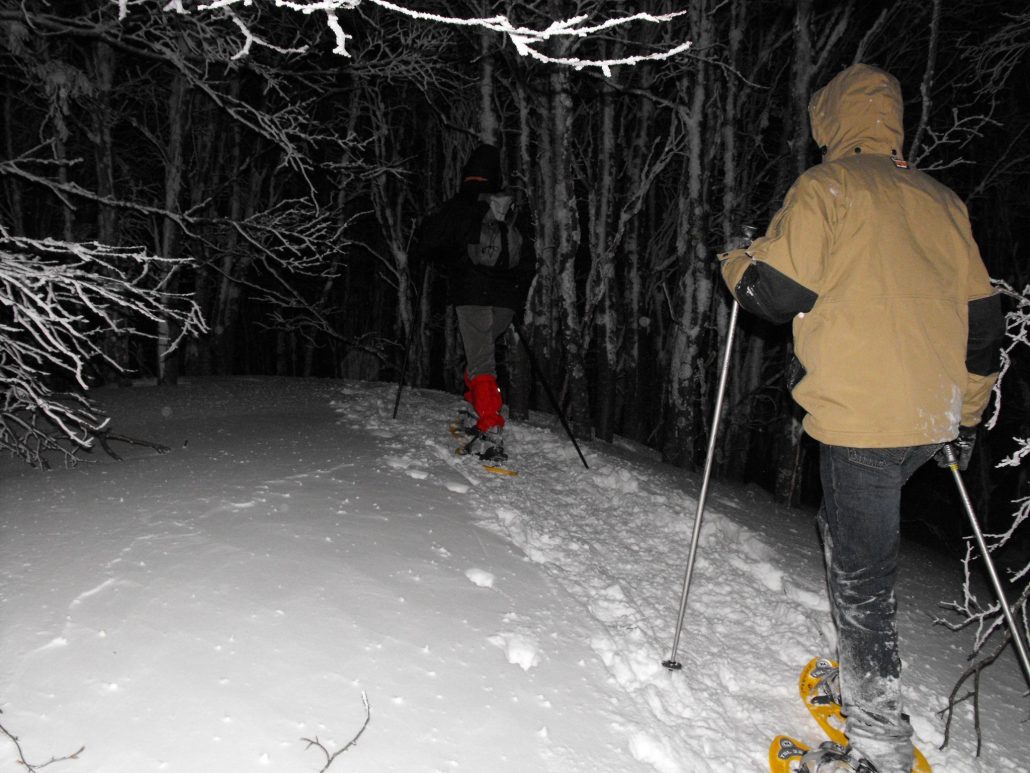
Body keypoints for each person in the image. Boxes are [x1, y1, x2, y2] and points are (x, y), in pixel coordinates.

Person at [718, 64, 1003, 772]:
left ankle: (878, 739)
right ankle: (862, 677)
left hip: (861, 423)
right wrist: (962, 418)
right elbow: (982, 326)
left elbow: (774, 292)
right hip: (924, 418)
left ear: (832, 121)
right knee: (850, 538)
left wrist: (733, 260)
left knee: (863, 575)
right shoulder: (941, 200)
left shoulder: (828, 188)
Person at [412, 143, 535, 461]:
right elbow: (527, 259)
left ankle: (491, 432)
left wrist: (442, 259)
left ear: (468, 172)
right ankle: (474, 412)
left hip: (472, 296)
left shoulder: (460, 206)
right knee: (480, 355)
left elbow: (428, 244)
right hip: (506, 303)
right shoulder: (508, 208)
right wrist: (515, 297)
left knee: (481, 364)